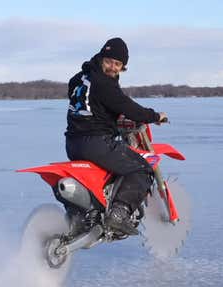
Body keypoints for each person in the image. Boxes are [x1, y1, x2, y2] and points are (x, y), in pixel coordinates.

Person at [65, 37, 167, 235]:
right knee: (142, 169)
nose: (113, 67)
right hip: (96, 143)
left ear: (123, 67)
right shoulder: (103, 83)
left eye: (118, 64)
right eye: (109, 61)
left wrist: (104, 114)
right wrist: (154, 116)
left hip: (73, 143)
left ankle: (86, 216)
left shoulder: (80, 78)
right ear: (101, 58)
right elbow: (127, 106)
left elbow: (89, 100)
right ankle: (118, 215)